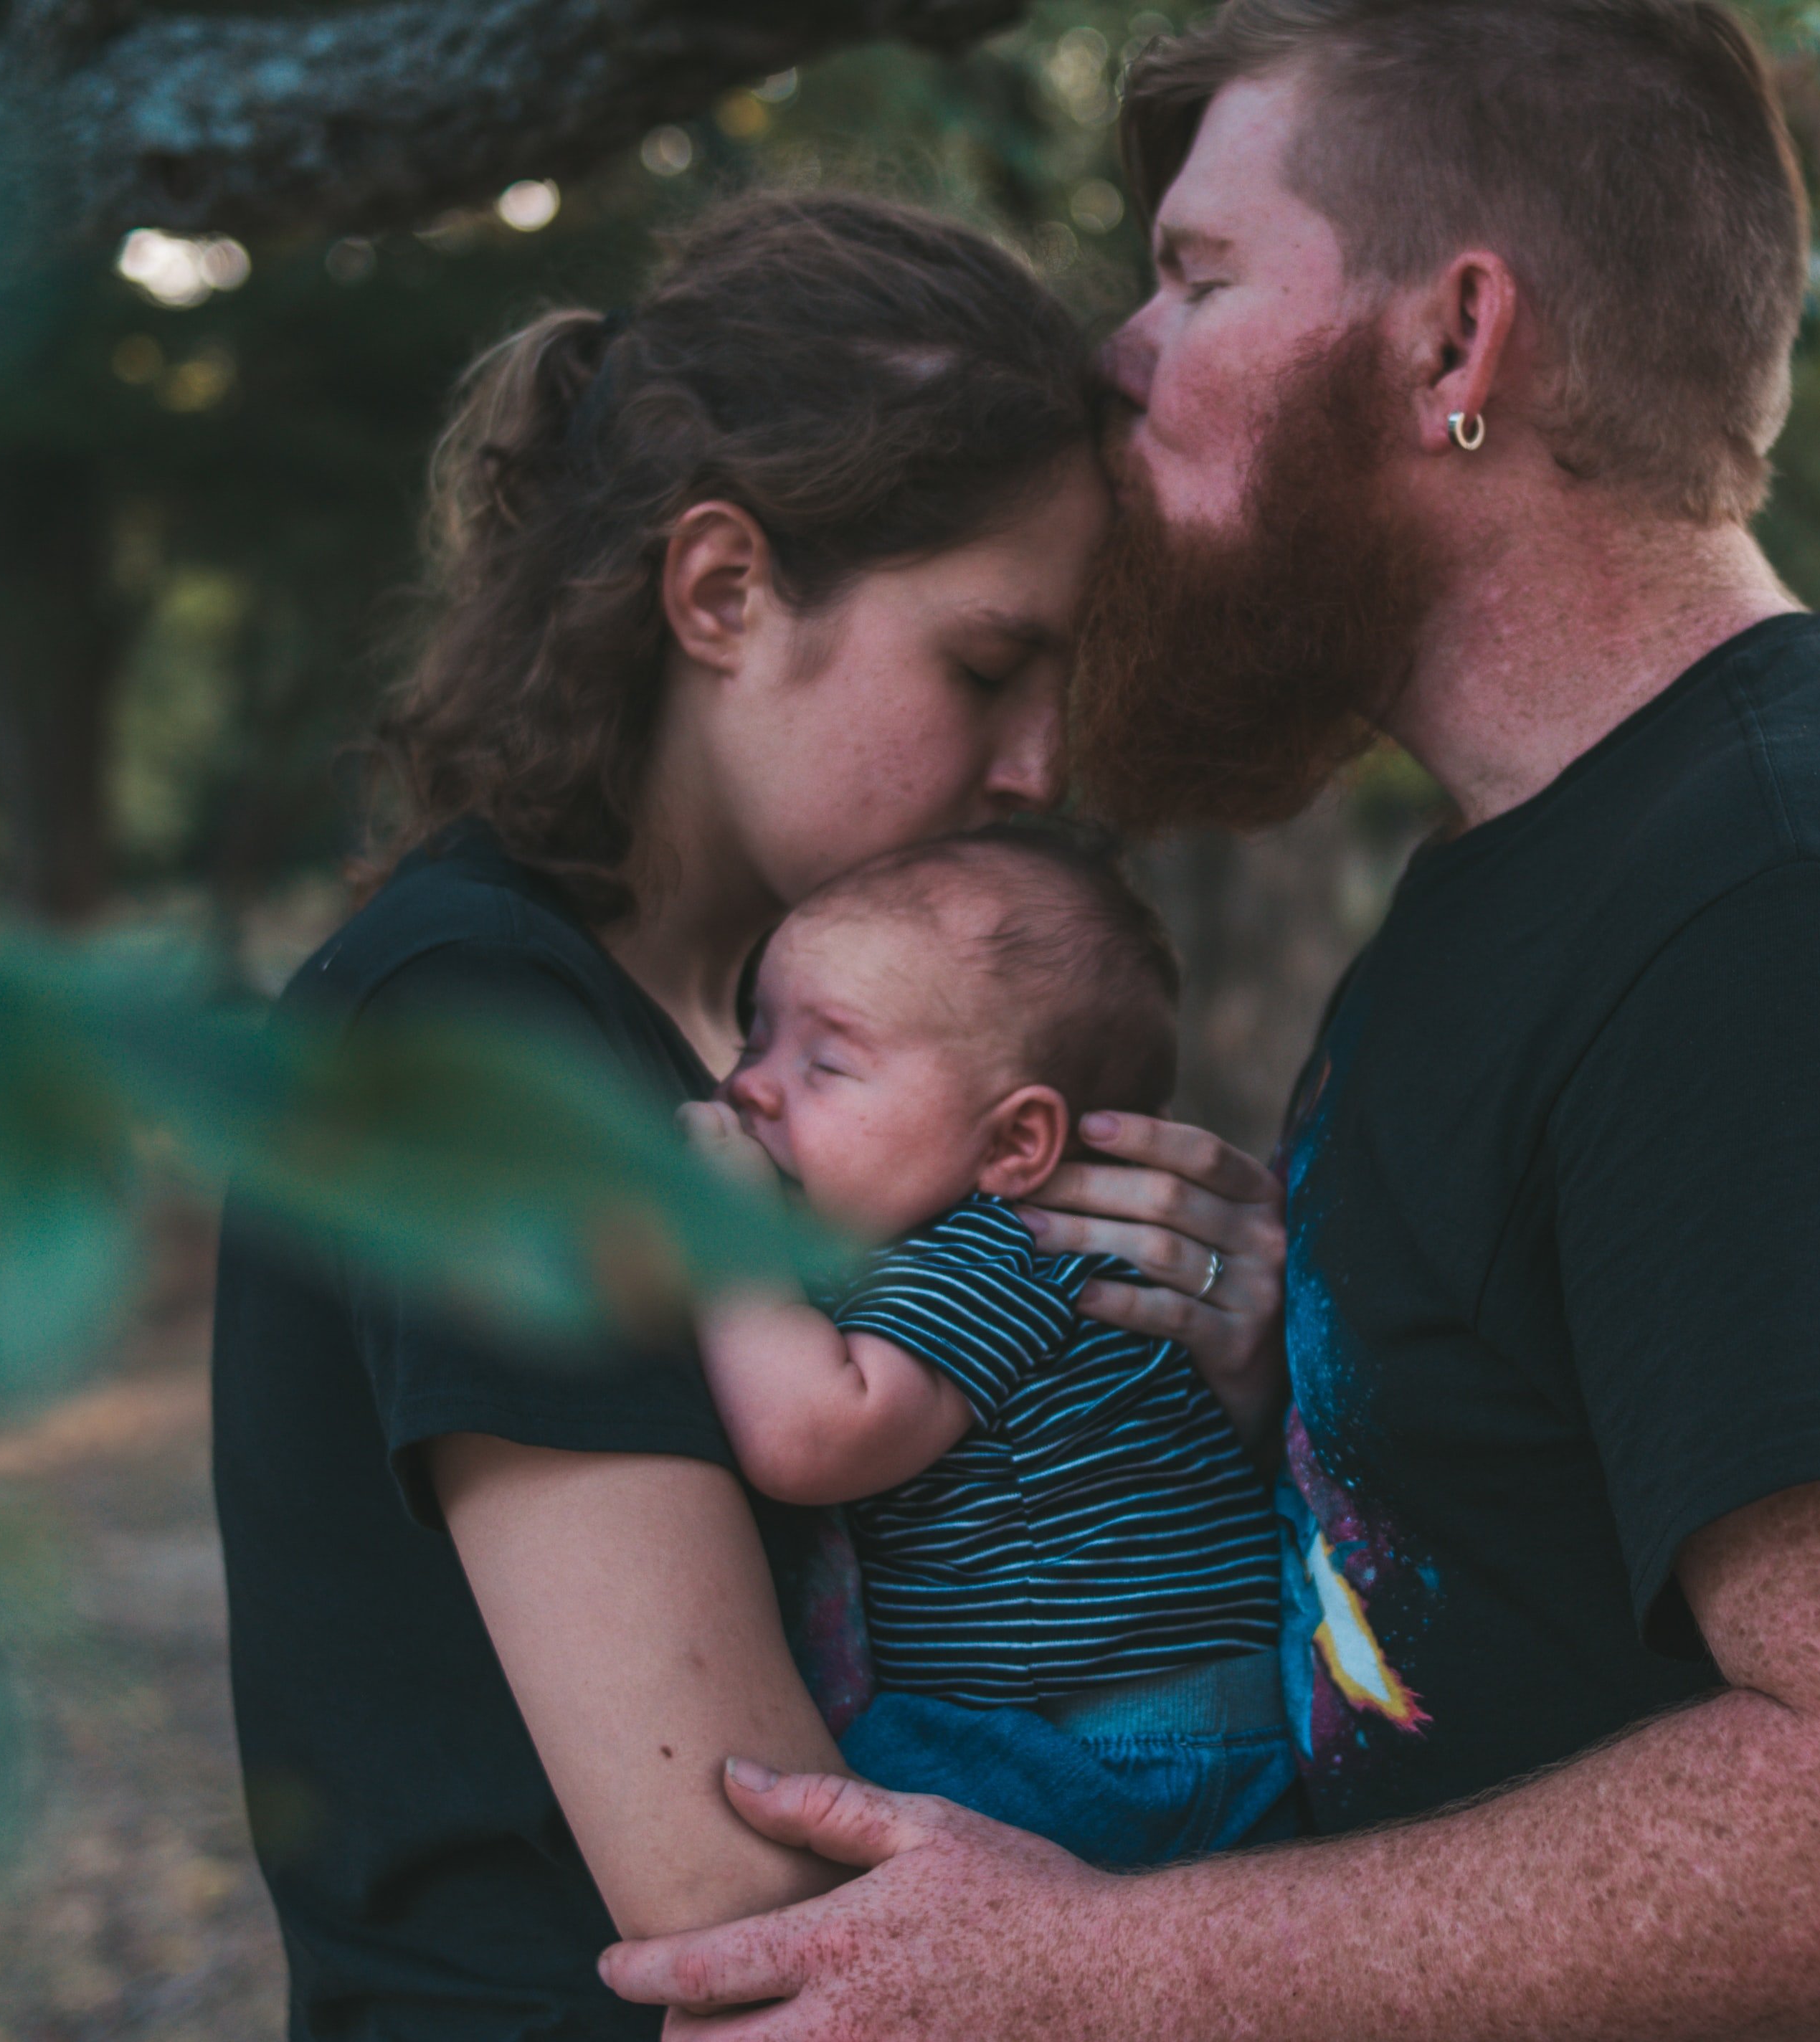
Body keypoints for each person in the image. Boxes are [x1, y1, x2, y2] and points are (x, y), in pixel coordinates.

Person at [601, 5, 1820, 2040]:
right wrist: (1308, 1402)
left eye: (1197, 277)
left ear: (1456, 344)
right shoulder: (1516, 886)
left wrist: (1103, 1969)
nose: (1119, 355)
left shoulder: (1808, 902)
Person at [208, 191, 1291, 2041]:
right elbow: (751, 1896)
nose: (1037, 760)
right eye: (981, 663)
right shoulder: (479, 1033)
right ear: (720, 592)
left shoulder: (746, 1063)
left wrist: (1217, 1386)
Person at [681, 825, 1295, 1866]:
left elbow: (814, 1437)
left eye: (826, 1062)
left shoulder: (1004, 1242)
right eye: (754, 1036)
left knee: (814, 1834)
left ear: (1017, 1142)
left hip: (1103, 1751)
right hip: (1166, 1736)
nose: (751, 1086)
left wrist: (719, 1234)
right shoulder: (988, 1239)